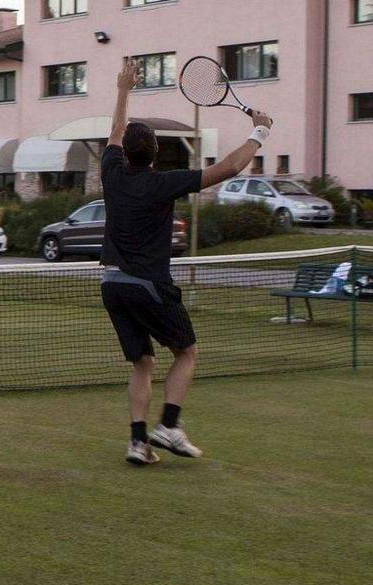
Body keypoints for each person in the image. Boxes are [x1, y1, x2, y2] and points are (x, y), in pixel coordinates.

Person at [100, 58, 273, 466]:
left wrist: (124, 88)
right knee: (187, 352)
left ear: (124, 152)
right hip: (147, 285)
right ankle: (169, 426)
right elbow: (230, 167)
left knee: (143, 362)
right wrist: (260, 131)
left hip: (112, 285)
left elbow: (114, 131)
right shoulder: (163, 182)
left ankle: (138, 442)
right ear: (156, 152)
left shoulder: (111, 173)